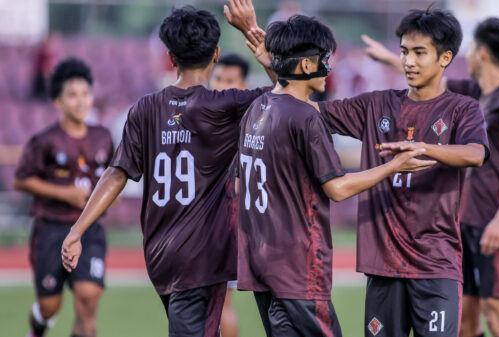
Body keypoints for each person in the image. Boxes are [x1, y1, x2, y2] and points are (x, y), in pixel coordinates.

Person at [61, 6, 274, 337]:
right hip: (202, 256)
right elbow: (290, 96)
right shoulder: (226, 105)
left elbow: (117, 173)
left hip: (160, 254)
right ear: (216, 54)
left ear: (171, 57)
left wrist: (77, 230)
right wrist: (255, 37)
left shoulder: (145, 107)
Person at [237, 14, 435, 337]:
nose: (329, 67)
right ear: (305, 66)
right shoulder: (304, 117)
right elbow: (338, 188)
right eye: (325, 58)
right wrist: (395, 165)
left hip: (260, 264)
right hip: (298, 269)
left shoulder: (257, 109)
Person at [315, 9, 490, 337]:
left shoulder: (462, 108)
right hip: (382, 265)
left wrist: (425, 149)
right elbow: (309, 113)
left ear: (445, 58)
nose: (409, 61)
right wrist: (278, 70)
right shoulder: (375, 105)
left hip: (436, 266)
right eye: (404, 51)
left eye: (419, 52)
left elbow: (475, 154)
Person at [362, 17, 499, 337]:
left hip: (494, 222)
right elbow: (429, 79)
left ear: (481, 52)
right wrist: (388, 58)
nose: (464, 55)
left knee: (497, 315)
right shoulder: (473, 94)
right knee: (466, 323)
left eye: (468, 49)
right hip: (463, 221)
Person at [15, 58, 113, 337]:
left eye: (85, 94)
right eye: (72, 95)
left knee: (88, 297)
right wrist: (64, 193)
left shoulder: (104, 137)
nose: (81, 101)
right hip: (51, 228)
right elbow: (21, 180)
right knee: (49, 308)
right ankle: (37, 326)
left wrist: (106, 198)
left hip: (90, 229)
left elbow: (114, 177)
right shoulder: (45, 140)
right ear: (58, 102)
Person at [209, 52, 251, 337]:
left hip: (227, 223)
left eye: (229, 81)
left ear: (243, 86)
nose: (221, 86)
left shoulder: (248, 124)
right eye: (218, 78)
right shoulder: (205, 116)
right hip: (204, 222)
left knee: (220, 303)